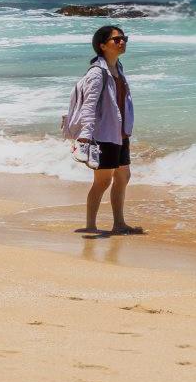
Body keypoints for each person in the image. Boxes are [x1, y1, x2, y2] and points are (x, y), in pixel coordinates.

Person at [61, 25, 142, 236]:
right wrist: (86, 136)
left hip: (120, 133)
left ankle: (119, 224)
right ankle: (90, 225)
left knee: (123, 176)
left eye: (124, 38)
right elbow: (88, 106)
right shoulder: (97, 73)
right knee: (103, 180)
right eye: (116, 40)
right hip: (104, 134)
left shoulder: (118, 68)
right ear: (102, 45)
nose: (122, 42)